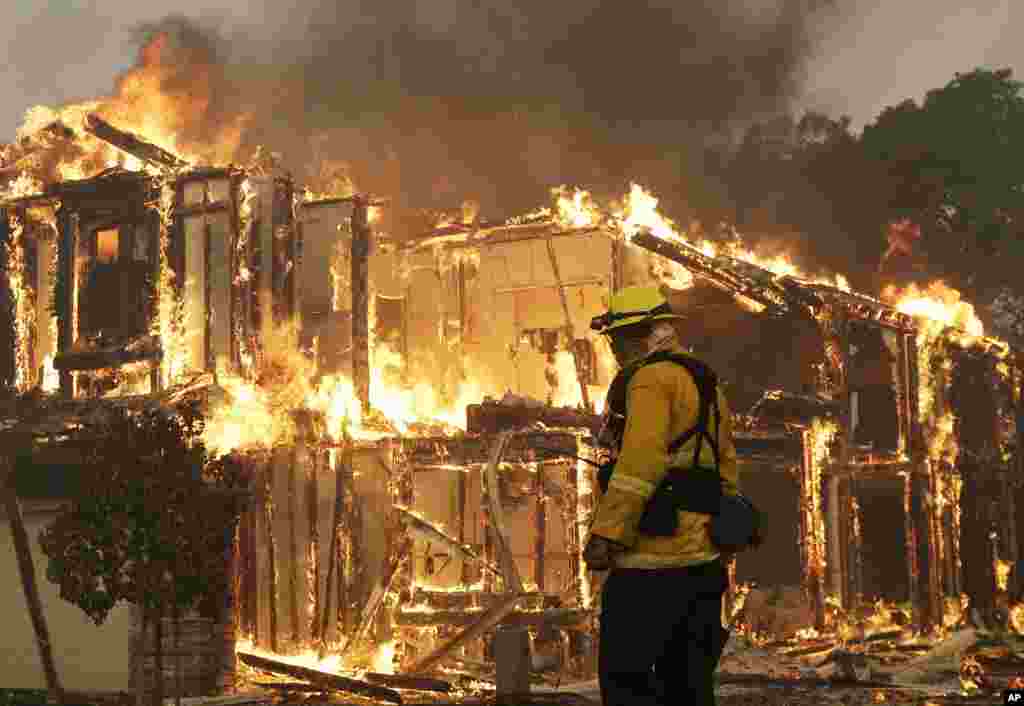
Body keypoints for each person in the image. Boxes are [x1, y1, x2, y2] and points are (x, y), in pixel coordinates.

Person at [583, 284, 739, 706]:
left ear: (641, 334)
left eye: (616, 340)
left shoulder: (649, 380)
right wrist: (719, 541)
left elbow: (639, 465)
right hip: (702, 564)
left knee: (626, 684)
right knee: (689, 688)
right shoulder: (703, 380)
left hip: (649, 568)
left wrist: (606, 534)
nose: (614, 350)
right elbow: (725, 466)